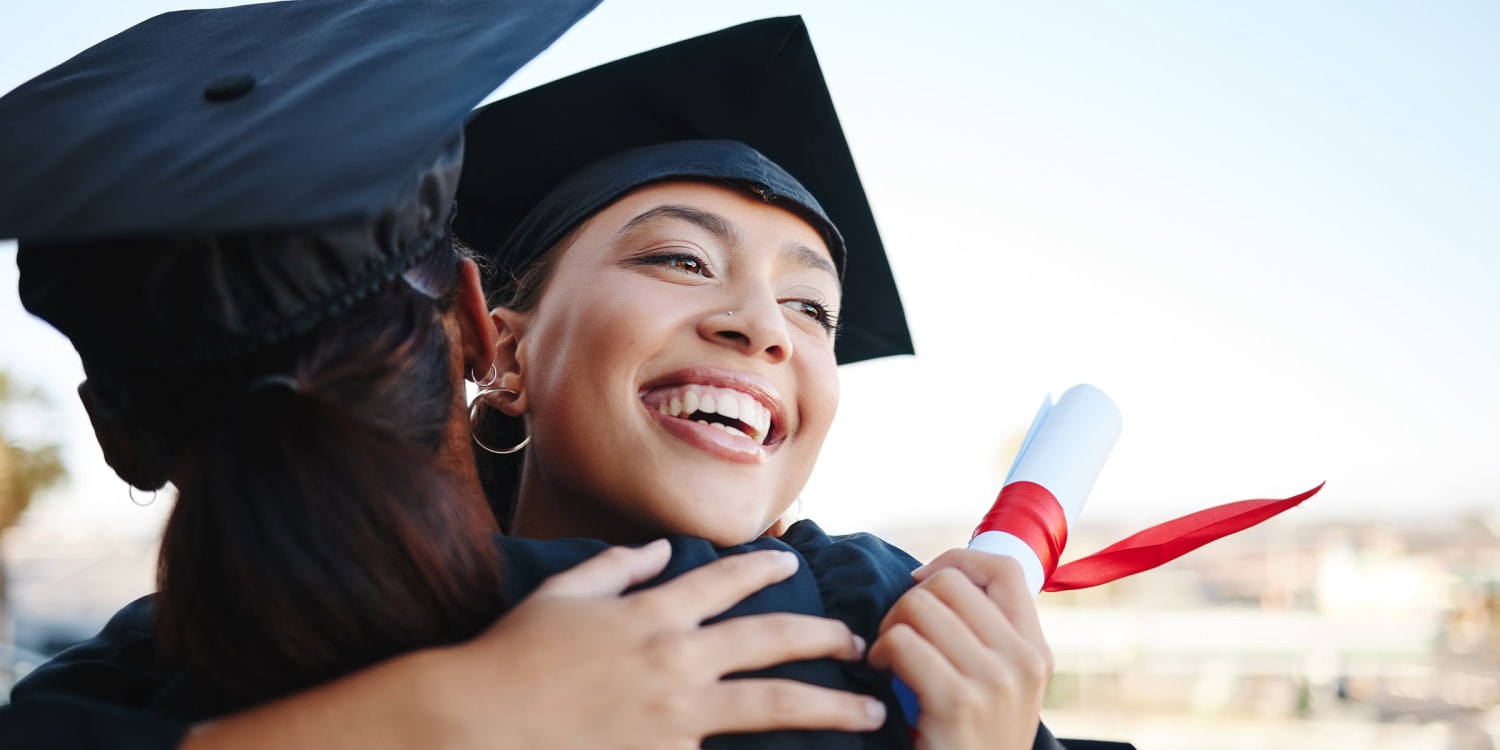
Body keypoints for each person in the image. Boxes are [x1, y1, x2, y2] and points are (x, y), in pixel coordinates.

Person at [1, 3, 1135, 748]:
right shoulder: (206, 648)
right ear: (496, 341)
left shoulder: (887, 630)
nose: (763, 328)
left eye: (812, 307)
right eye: (681, 259)